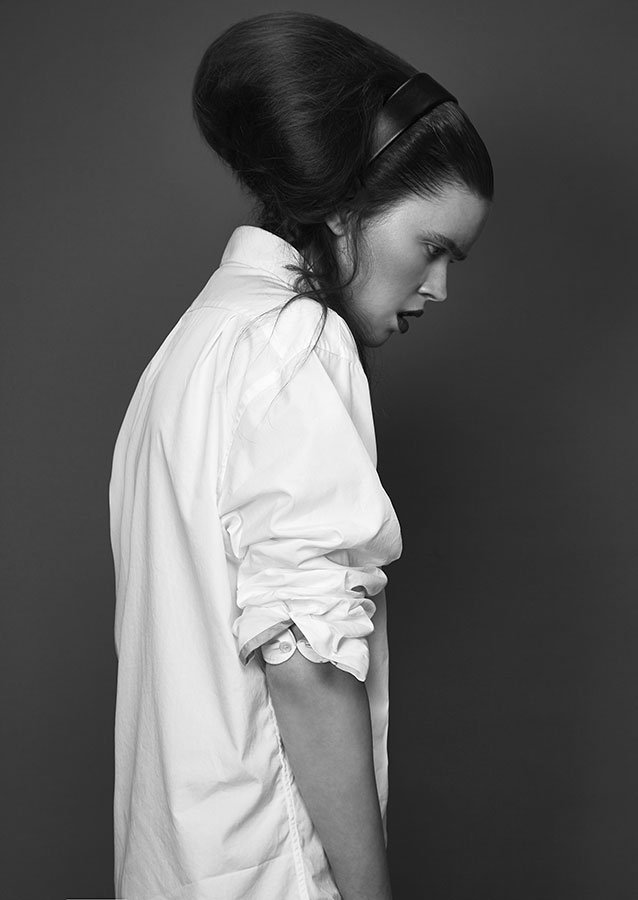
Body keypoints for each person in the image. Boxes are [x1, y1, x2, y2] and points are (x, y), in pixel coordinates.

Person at [109, 11, 493, 900]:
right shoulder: (295, 342)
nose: (438, 288)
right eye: (433, 247)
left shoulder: (195, 344)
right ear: (346, 206)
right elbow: (307, 668)